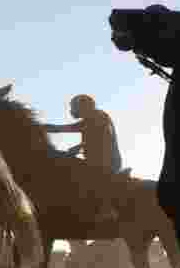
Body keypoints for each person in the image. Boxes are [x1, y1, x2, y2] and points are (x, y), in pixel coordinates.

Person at [42, 94, 124, 223]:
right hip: (98, 161)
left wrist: (80, 147)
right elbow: (94, 136)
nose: (71, 110)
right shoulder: (93, 118)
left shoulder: (98, 117)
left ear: (84, 106)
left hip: (106, 163)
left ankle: (107, 209)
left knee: (84, 176)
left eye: (74, 107)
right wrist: (80, 147)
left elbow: (101, 138)